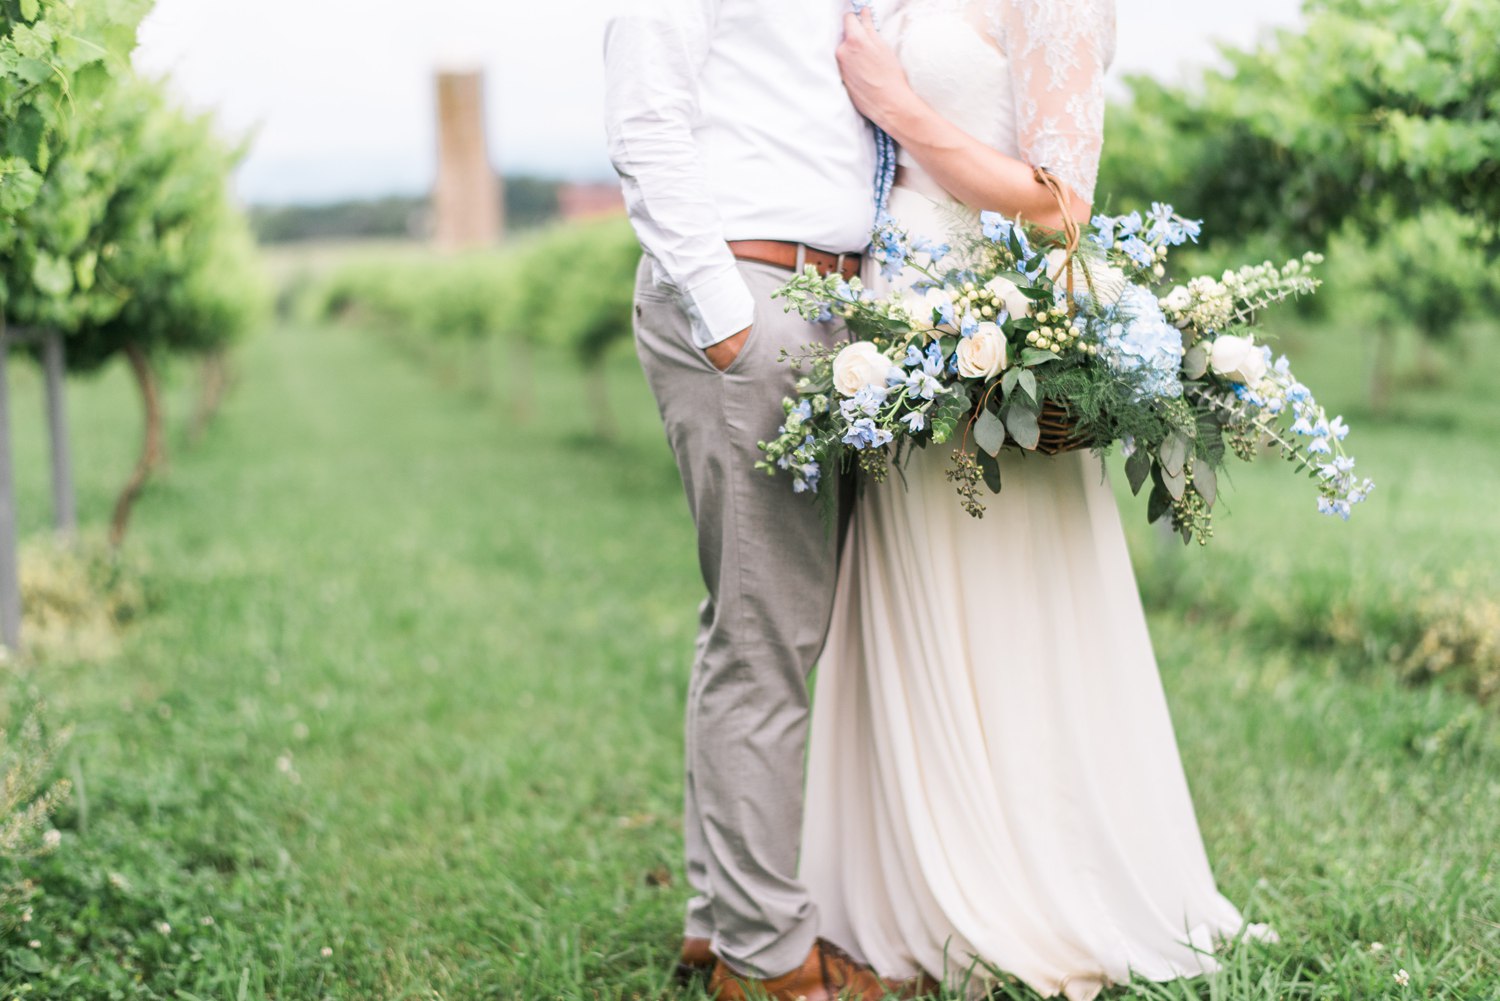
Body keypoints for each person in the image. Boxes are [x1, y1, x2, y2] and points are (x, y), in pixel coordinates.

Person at [796, 1, 1272, 998]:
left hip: (985, 332)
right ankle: (901, 887)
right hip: (898, 339)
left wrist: (895, 104)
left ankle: (1022, 883)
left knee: (1008, 614)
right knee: (910, 602)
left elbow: (1061, 205)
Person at [603, 2, 913, 999]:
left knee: (750, 620)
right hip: (750, 294)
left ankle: (719, 918)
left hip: (821, 300)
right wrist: (729, 319)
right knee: (766, 635)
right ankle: (771, 959)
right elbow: (646, 118)